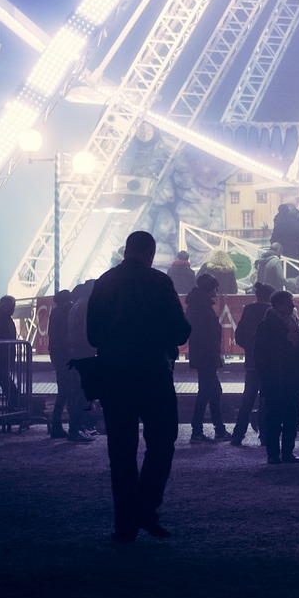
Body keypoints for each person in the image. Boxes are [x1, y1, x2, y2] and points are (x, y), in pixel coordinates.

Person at [87, 231, 192, 543]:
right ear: (150, 253)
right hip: (152, 374)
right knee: (161, 444)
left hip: (114, 376)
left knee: (121, 452)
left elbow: (92, 336)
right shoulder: (159, 283)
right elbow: (180, 330)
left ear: (126, 251)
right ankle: (146, 508)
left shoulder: (103, 282)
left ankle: (124, 524)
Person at [256, 290, 299, 464]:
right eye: (288, 302)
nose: (292, 305)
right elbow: (261, 356)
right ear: (277, 305)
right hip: (277, 378)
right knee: (276, 418)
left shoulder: (287, 323)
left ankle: (284, 452)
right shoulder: (268, 326)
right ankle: (276, 453)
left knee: (289, 417)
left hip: (290, 378)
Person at [186, 273, 229, 443]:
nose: (217, 292)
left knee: (212, 391)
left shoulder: (196, 305)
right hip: (207, 355)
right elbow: (209, 334)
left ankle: (216, 429)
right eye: (215, 288)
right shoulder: (202, 307)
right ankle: (199, 430)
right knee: (207, 392)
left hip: (202, 354)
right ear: (209, 289)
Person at [231, 282, 274, 447]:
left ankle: (238, 435)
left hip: (252, 362)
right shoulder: (272, 312)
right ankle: (264, 435)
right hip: (269, 363)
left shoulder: (248, 310)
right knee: (266, 399)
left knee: (247, 399)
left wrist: (250, 348)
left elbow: (239, 334)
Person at [48, 289, 91, 442]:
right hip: (68, 357)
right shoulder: (68, 310)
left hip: (58, 356)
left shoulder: (55, 312)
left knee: (63, 392)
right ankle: (72, 427)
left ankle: (56, 426)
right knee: (72, 392)